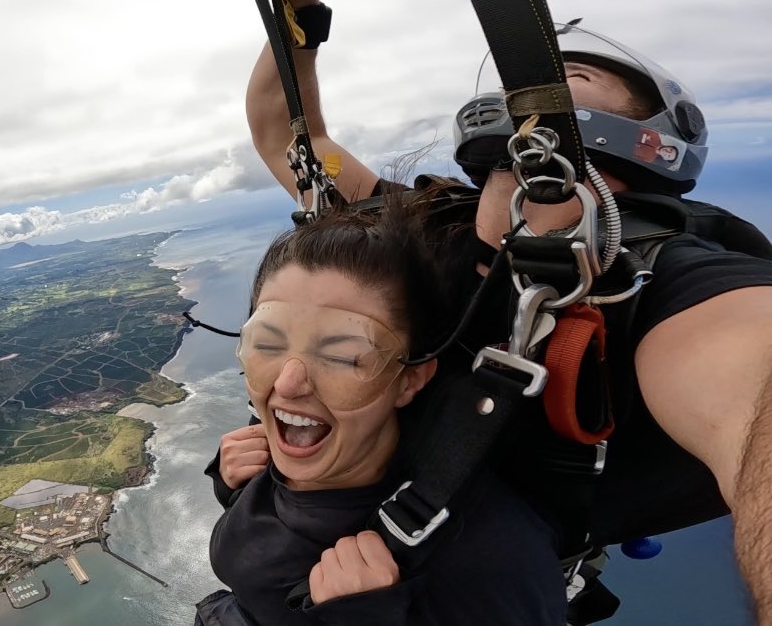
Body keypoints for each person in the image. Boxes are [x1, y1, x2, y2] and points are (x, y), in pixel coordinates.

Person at [240, 0, 772, 622]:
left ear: (651, 137)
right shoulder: (431, 226)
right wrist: (300, 15)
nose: (533, 78)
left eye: (570, 73)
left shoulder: (661, 283)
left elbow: (751, 376)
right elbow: (291, 139)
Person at [196, 202, 568, 626]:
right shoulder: (273, 456)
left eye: (342, 356)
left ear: (410, 380)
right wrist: (234, 489)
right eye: (267, 345)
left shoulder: (491, 557)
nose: (286, 384)